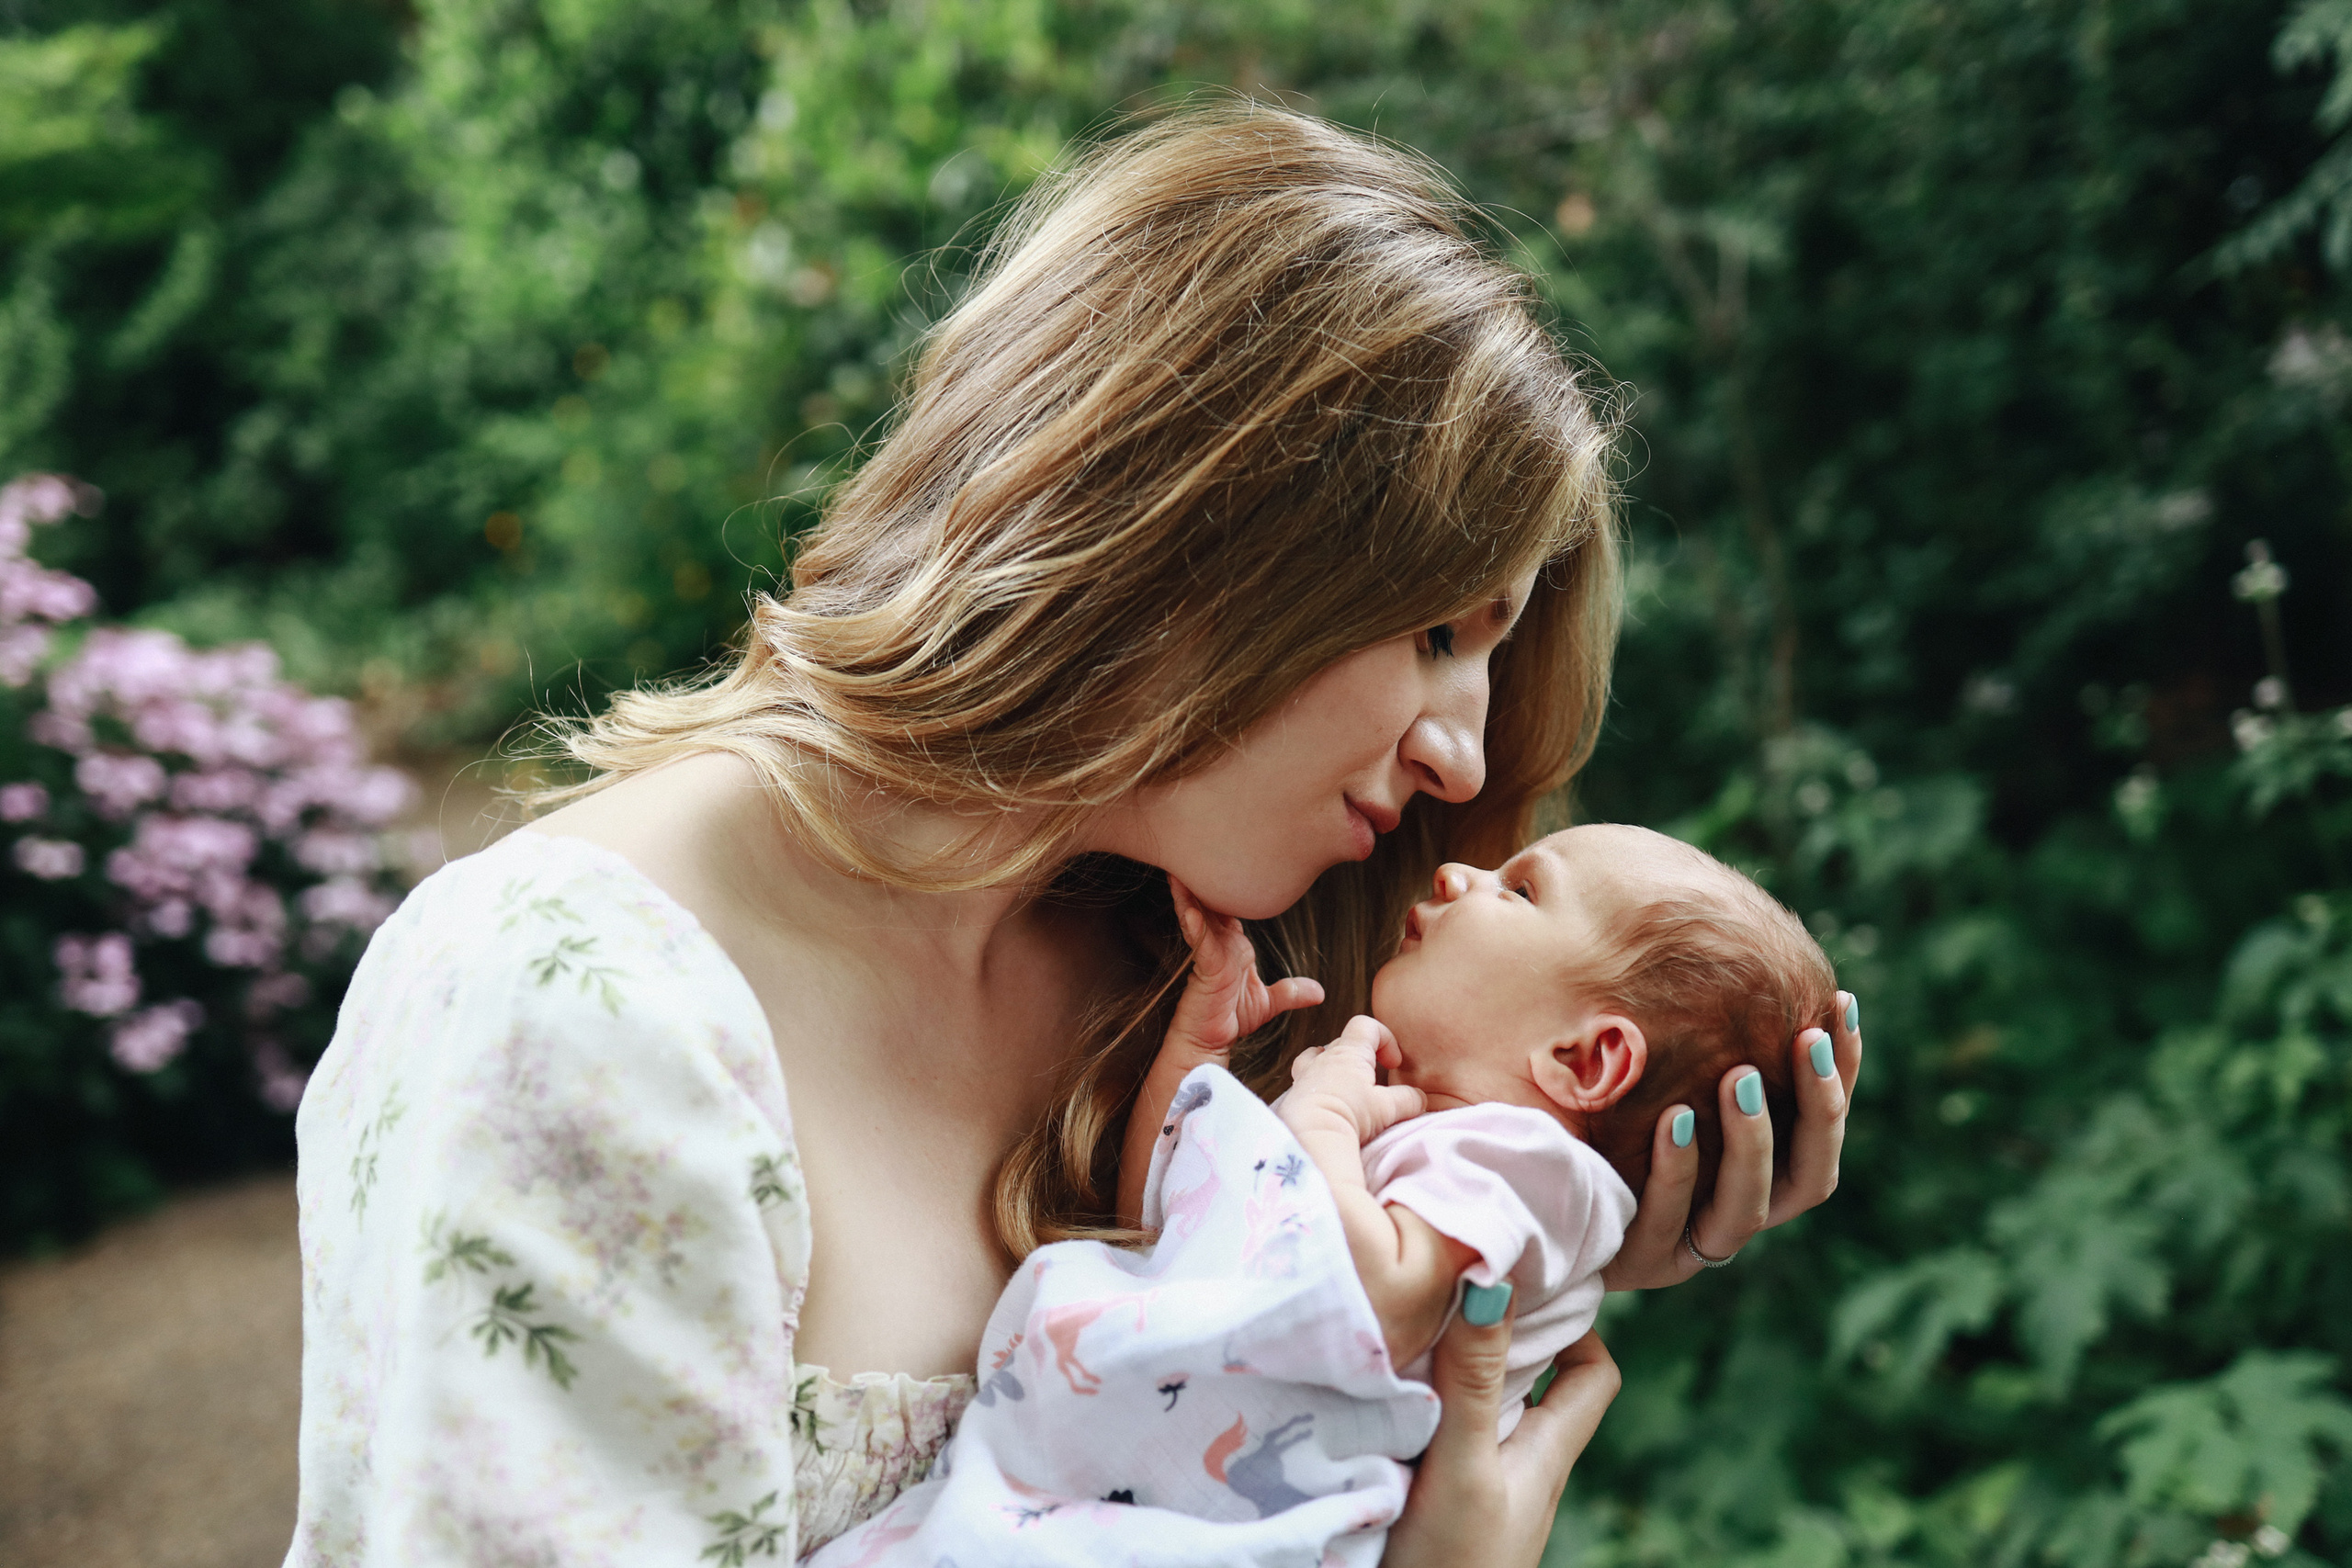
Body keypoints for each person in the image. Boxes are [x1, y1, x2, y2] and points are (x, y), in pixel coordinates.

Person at [284, 103, 1864, 1567]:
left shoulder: (1193, 975)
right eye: (1446, 630)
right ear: (1205, 523)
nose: (1460, 760)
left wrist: (1523, 1246)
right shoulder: (569, 1011)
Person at [793, 824, 1835, 1566]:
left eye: (1521, 891)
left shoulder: (1527, 1171)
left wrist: (1319, 1113)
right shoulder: (1426, 1141)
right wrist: (1199, 1055)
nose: (1461, 873)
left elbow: (1371, 1295)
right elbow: (1177, 1237)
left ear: (1587, 1058)